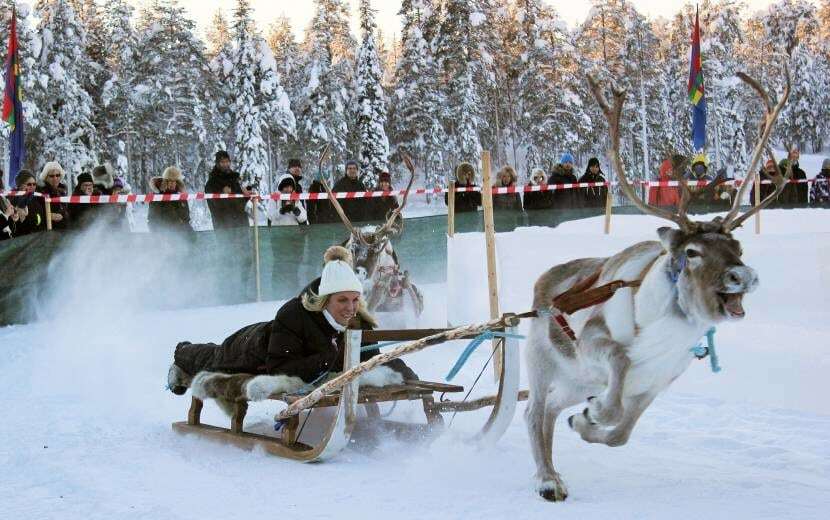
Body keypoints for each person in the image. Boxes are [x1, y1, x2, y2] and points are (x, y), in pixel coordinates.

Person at [166, 246, 418, 397]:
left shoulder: (358, 320)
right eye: (342, 300)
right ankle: (182, 355)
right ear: (325, 299)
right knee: (215, 358)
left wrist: (405, 373)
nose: (350, 308)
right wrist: (325, 358)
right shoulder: (294, 315)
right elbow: (278, 368)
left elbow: (371, 357)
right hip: (254, 348)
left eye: (354, 300)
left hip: (282, 350)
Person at [205, 150, 249, 229]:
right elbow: (213, 204)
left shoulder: (234, 179)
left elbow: (240, 202)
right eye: (222, 162)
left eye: (227, 161)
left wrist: (246, 196)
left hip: (241, 224)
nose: (225, 164)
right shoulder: (212, 182)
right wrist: (222, 193)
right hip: (224, 225)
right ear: (218, 164)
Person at [147, 166, 192, 233]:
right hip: (164, 234)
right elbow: (152, 220)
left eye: (174, 181)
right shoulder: (157, 197)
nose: (172, 184)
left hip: (181, 234)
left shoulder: (181, 197)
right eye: (170, 181)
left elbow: (186, 219)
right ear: (165, 182)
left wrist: (189, 233)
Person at [91, 163, 130, 230]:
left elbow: (122, 204)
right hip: (104, 223)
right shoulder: (96, 190)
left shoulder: (115, 185)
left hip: (117, 221)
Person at [9, 170, 45, 237]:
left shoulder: (36, 199)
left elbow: (41, 221)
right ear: (20, 185)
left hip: (38, 237)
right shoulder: (14, 201)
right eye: (29, 184)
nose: (32, 186)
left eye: (34, 184)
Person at [37, 161, 70, 230]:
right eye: (51, 176)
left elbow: (66, 210)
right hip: (48, 231)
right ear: (46, 178)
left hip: (64, 230)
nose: (55, 178)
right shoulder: (41, 192)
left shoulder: (63, 191)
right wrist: (48, 216)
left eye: (57, 175)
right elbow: (36, 213)